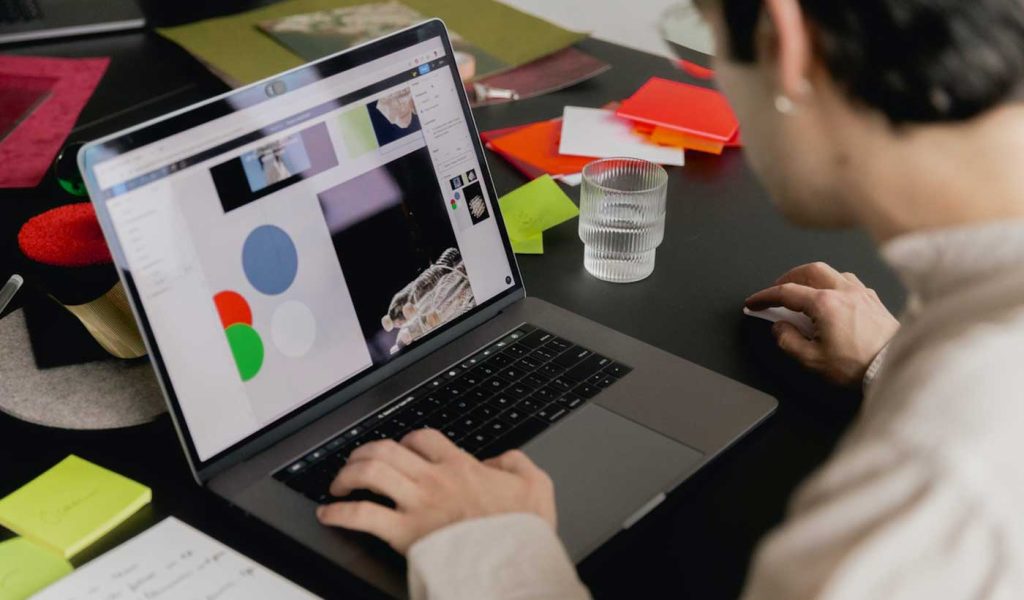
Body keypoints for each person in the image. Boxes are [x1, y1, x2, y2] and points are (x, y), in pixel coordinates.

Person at [316, 0, 1024, 597]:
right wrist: (893, 364)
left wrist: (494, 552)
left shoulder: (936, 470)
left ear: (784, 43)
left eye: (713, 46)